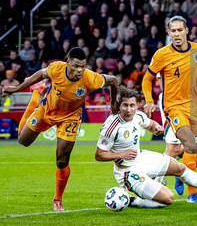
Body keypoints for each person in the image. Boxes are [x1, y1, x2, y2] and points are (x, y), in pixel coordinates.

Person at [1, 47, 118, 211]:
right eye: (76, 66)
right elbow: (41, 74)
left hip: (70, 117)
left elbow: (113, 80)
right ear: (68, 62)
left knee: (62, 160)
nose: (79, 70)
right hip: (46, 109)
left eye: (82, 66)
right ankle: (36, 96)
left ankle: (58, 199)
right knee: (22, 140)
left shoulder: (90, 78)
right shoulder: (57, 68)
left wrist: (113, 103)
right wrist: (16, 88)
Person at [95, 86, 197, 207]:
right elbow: (99, 155)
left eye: (132, 105)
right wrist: (121, 155)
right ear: (119, 105)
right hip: (128, 172)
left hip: (142, 159)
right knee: (168, 199)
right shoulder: (111, 127)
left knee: (180, 168)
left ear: (137, 105)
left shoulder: (138, 116)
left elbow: (149, 124)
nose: (129, 110)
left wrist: (156, 127)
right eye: (125, 105)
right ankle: (134, 201)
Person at [142, 16, 197, 203]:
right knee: (190, 146)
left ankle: (181, 174)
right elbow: (147, 79)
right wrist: (149, 100)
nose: (177, 34)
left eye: (180, 30)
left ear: (187, 31)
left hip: (194, 106)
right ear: (169, 33)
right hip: (173, 107)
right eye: (173, 31)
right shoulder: (162, 54)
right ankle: (192, 193)